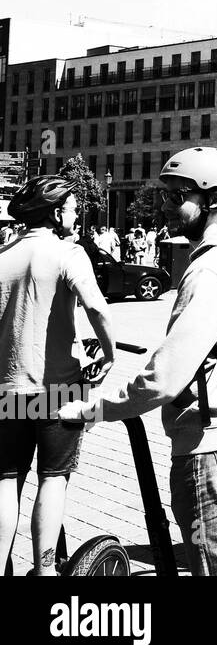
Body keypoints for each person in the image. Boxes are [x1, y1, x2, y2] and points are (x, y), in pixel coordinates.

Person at [57, 147, 217, 576]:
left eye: (176, 197)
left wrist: (95, 408)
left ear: (213, 199)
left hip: (213, 447)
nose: (164, 206)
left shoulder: (213, 269)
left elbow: (166, 377)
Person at [0, 177, 117, 576]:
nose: (76, 214)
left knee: (6, 480)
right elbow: (97, 308)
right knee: (53, 479)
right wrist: (111, 352)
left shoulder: (2, 253)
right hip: (59, 389)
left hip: (8, 386)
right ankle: (45, 571)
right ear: (55, 213)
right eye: (70, 207)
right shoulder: (68, 253)